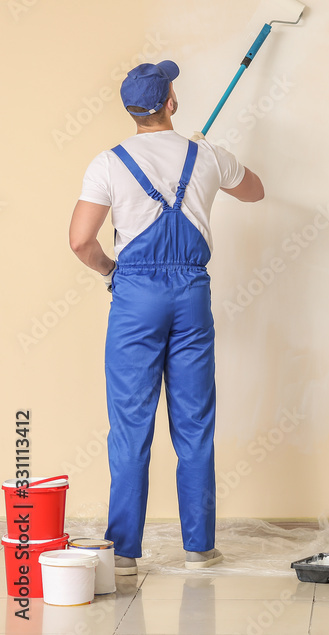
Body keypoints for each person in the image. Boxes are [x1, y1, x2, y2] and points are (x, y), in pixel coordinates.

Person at [69, 60, 264, 574]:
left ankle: (126, 556)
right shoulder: (206, 155)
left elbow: (80, 241)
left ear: (133, 110)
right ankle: (199, 548)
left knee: (131, 425)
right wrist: (212, 161)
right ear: (171, 103)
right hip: (190, 294)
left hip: (135, 297)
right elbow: (256, 190)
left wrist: (113, 272)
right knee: (195, 421)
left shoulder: (107, 163)